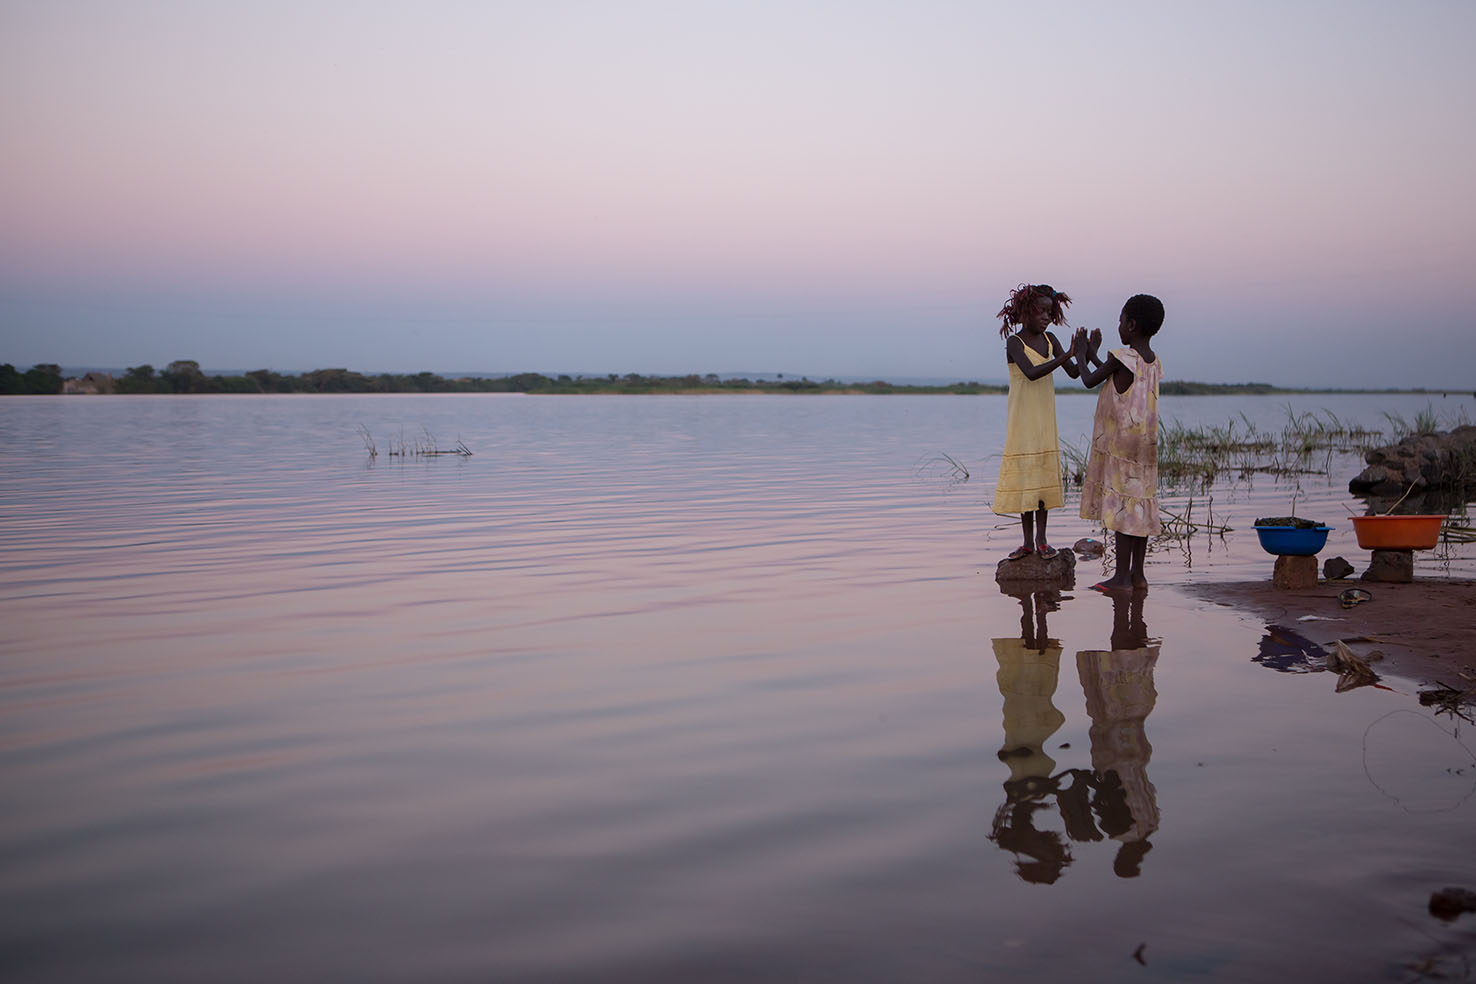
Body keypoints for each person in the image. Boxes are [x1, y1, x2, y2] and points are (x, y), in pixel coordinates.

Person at [1073, 293, 1164, 592]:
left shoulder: (1120, 357)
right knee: (1138, 508)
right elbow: (1113, 377)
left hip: (1122, 448)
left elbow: (1089, 380)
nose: (1119, 326)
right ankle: (1138, 575)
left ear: (1132, 324)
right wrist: (1094, 356)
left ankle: (1121, 578)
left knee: (1125, 512)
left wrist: (1082, 352)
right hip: (1145, 449)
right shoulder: (1152, 361)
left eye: (1121, 321)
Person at [992, 284, 1079, 560]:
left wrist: (1086, 351)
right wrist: (1065, 356)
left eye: (1049, 312)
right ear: (1025, 312)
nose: (1045, 317)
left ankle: (1042, 540)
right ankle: (1027, 541)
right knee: (1026, 479)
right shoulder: (1014, 343)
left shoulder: (1051, 340)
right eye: (1040, 311)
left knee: (1041, 480)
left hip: (1044, 421)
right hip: (1022, 421)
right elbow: (1030, 373)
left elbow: (1075, 374)